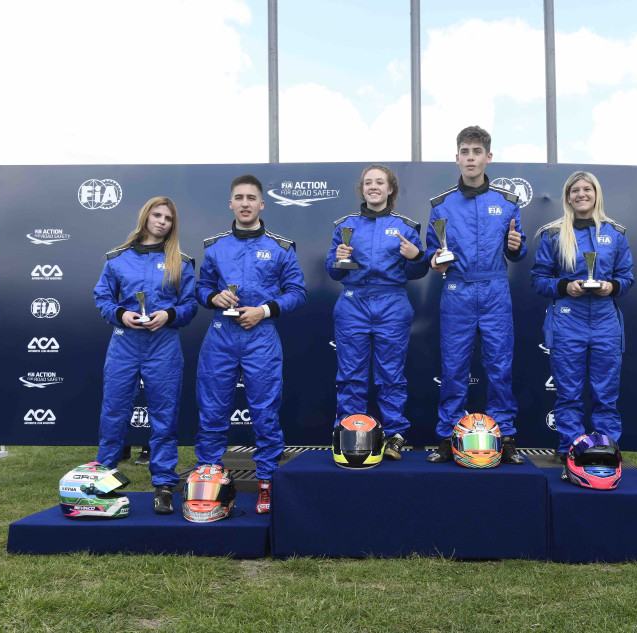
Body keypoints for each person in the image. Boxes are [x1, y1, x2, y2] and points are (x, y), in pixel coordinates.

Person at [194, 174, 306, 514]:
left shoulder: (281, 247)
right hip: (220, 337)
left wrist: (262, 310)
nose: (245, 203)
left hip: (261, 338)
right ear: (231, 203)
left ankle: (267, 483)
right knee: (212, 410)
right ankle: (209, 477)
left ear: (261, 204)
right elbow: (200, 289)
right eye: (239, 197)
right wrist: (214, 296)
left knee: (265, 413)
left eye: (251, 198)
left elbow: (298, 294)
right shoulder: (214, 247)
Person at [425, 125, 527, 465]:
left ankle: (506, 436)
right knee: (453, 368)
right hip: (457, 290)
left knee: (500, 366)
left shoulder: (507, 202)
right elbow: (432, 253)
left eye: (477, 152)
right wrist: (435, 262)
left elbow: (517, 248)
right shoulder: (441, 206)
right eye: (465, 153)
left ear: (488, 157)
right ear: (457, 159)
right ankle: (446, 436)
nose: (471, 158)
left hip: (496, 289)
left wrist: (516, 247)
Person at [93, 196, 197, 514]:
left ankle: (163, 486)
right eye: (157, 215)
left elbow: (190, 304)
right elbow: (102, 297)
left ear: (172, 225)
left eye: (168, 218)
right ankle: (103, 481)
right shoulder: (117, 258)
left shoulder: (182, 261)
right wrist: (120, 314)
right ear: (146, 217)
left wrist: (169, 315)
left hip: (163, 345)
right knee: (113, 414)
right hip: (124, 343)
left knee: (164, 419)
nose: (162, 221)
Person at [530, 171, 634, 464]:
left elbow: (626, 278)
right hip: (567, 318)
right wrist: (564, 286)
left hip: (605, 320)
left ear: (596, 194)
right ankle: (569, 448)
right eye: (575, 190)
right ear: (567, 197)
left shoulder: (616, 233)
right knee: (569, 393)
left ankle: (607, 446)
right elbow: (538, 279)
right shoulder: (553, 233)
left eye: (587, 189)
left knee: (606, 393)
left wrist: (612, 286)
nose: (581, 194)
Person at [326, 164, 429, 460]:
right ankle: (350, 431)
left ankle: (395, 434)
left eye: (379, 182)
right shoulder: (345, 226)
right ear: (362, 189)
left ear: (390, 189)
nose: (373, 186)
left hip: (392, 304)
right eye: (368, 182)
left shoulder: (406, 227)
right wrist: (337, 259)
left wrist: (417, 256)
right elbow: (331, 272)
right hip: (352, 303)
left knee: (390, 375)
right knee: (350, 375)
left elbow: (418, 271)